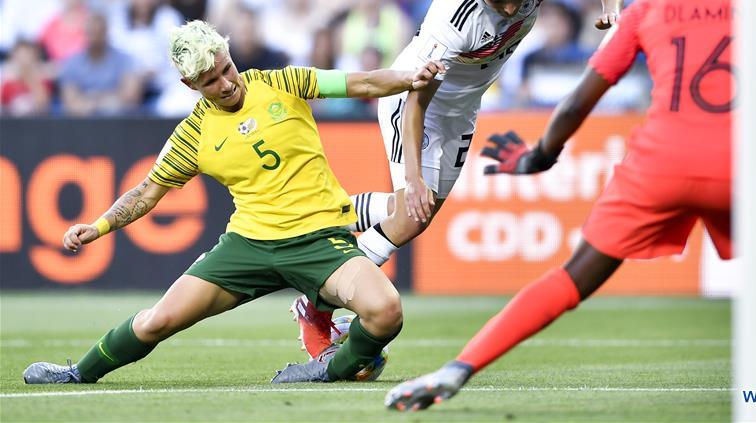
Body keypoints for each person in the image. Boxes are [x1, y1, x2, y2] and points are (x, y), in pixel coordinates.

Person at [383, 0, 756, 411]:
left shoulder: (649, 8)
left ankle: (457, 370)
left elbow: (579, 100)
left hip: (659, 164)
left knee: (572, 278)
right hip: (743, 164)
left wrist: (539, 156)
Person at [23, 19, 444, 385]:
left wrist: (412, 77)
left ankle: (329, 368)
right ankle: (79, 371)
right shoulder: (193, 135)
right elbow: (146, 193)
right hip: (249, 247)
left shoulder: (282, 82)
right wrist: (97, 227)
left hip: (319, 242)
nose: (226, 84)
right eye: (210, 81)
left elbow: (364, 82)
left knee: (387, 311)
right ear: (190, 86)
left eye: (226, 68)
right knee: (158, 321)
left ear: (229, 53)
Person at [291, 0, 623, 359]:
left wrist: (610, 12)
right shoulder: (453, 18)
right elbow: (415, 102)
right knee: (411, 212)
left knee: (416, 213)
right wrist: (412, 178)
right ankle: (316, 304)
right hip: (414, 106)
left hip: (462, 112)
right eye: (498, 1)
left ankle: (319, 216)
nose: (510, 10)